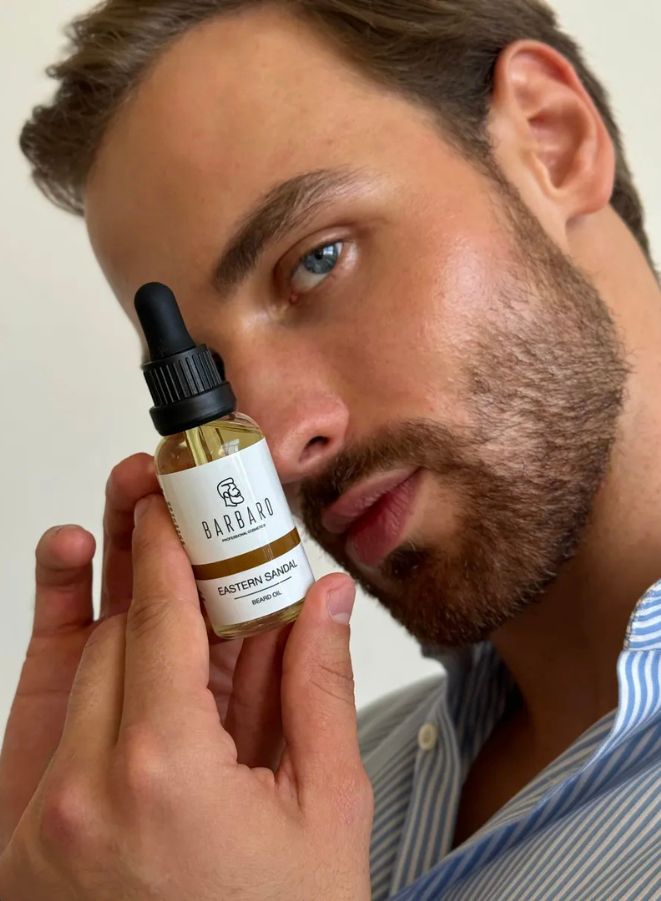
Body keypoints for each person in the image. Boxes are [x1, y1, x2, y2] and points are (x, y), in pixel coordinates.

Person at [1, 0, 659, 897]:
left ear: (550, 139)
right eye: (208, 371)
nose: (271, 447)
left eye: (316, 259)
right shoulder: (271, 822)